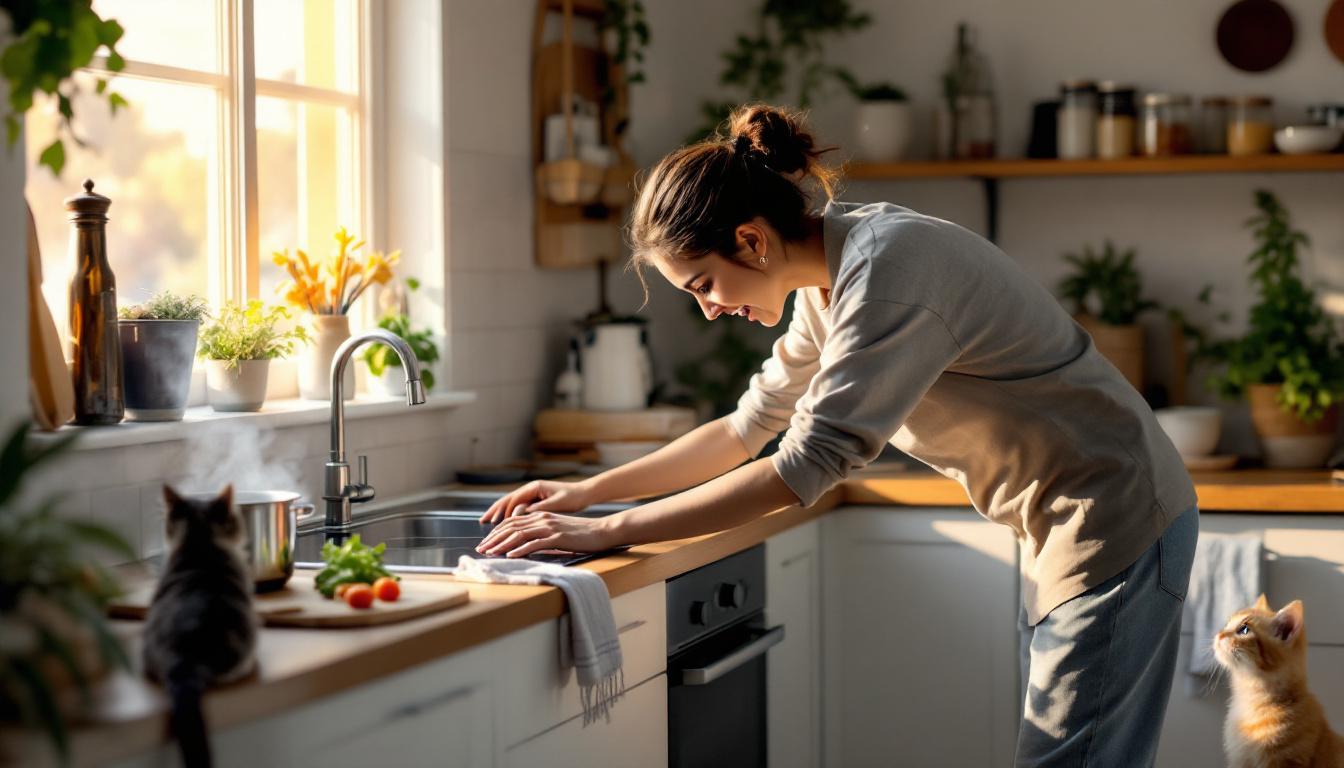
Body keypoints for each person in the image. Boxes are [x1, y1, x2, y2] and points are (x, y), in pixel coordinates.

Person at [476, 104, 1198, 766]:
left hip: (1114, 512)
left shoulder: (889, 270)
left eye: (703, 286)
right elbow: (746, 428)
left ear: (751, 240)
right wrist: (587, 494)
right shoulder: (830, 282)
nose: (709, 311)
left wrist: (607, 532)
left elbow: (804, 466)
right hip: (1064, 521)